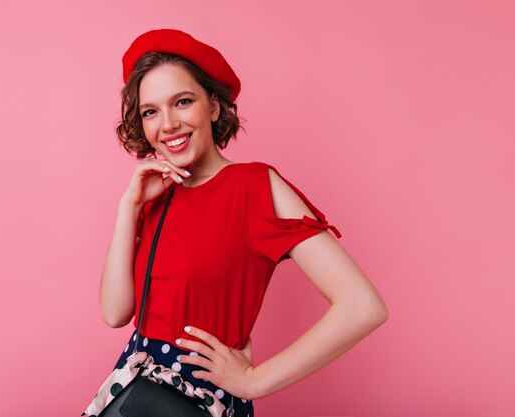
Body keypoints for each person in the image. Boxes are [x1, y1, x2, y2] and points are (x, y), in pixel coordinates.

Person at [95, 28, 388, 417]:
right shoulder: (155, 193)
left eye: (182, 102)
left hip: (195, 401)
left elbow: (363, 306)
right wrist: (127, 207)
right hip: (131, 389)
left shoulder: (254, 186)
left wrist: (255, 380)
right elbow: (116, 313)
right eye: (151, 111)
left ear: (213, 107)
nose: (167, 124)